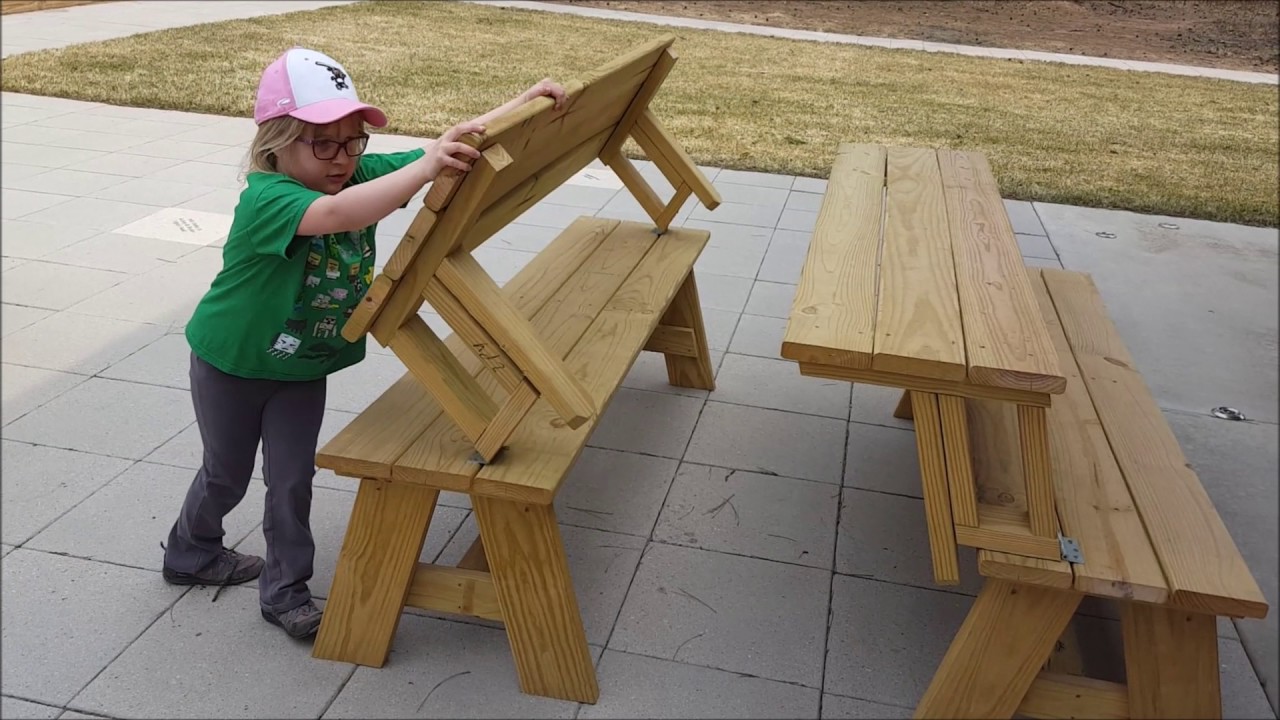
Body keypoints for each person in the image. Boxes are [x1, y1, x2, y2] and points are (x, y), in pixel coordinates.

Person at [160, 47, 566, 639]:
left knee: (292, 478)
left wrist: (520, 106)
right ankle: (191, 551)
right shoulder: (269, 197)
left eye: (354, 143)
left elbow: (437, 156)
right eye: (324, 143)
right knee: (227, 474)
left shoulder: (347, 172)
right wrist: (423, 170)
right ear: (276, 142)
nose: (343, 159)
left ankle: (285, 591)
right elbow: (340, 213)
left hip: (301, 366)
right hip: (230, 363)